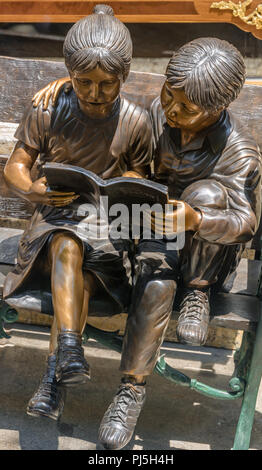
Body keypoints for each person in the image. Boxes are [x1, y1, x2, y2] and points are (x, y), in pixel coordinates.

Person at [23, 37, 262, 450]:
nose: (171, 110)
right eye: (169, 96)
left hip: (203, 256)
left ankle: (197, 295)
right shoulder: (158, 112)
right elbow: (103, 91)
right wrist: (68, 84)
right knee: (154, 281)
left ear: (219, 108)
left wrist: (195, 219)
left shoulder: (238, 152)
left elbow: (245, 222)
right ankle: (130, 392)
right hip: (148, 237)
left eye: (186, 109)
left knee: (204, 196)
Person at [3, 4, 152, 423]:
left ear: (124, 77)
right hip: (56, 220)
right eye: (83, 81)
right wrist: (33, 189)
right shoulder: (49, 109)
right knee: (68, 242)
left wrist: (128, 186)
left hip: (108, 230)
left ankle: (56, 374)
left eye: (107, 84)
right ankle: (63, 360)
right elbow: (15, 168)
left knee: (82, 272)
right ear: (68, 72)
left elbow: (143, 175)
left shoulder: (136, 121)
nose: (94, 93)